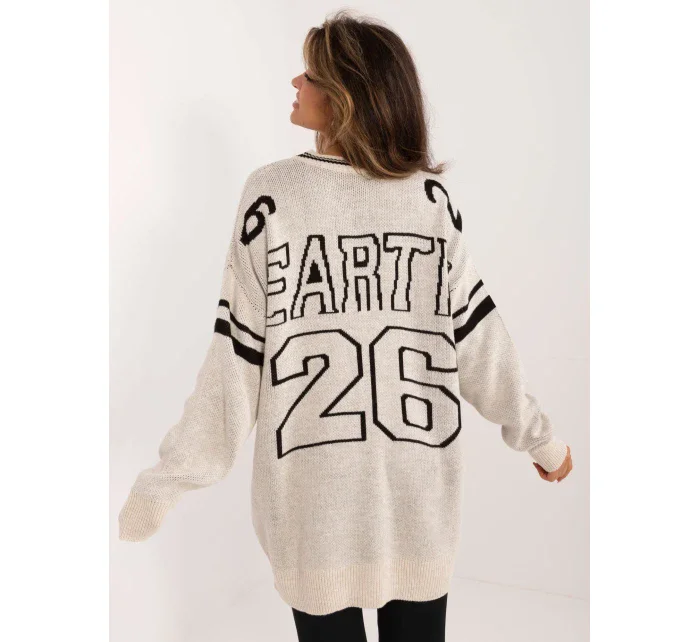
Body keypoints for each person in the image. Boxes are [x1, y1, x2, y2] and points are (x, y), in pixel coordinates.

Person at [118, 10, 573, 642]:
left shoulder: (288, 197)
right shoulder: (392, 200)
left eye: (310, 73)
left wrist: (167, 481)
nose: (295, 82)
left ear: (346, 95)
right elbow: (478, 340)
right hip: (384, 505)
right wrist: (541, 440)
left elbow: (236, 364)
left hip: (337, 511)